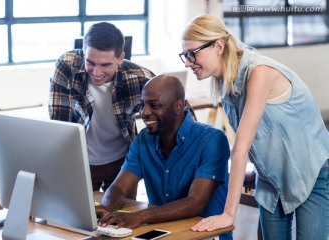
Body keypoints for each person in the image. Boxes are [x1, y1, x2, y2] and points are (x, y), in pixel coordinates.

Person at [180, 14, 329, 239]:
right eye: (184, 55)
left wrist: (229, 215)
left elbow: (239, 148)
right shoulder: (224, 84)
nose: (188, 62)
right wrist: (255, 166)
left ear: (218, 46)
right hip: (271, 178)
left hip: (311, 171)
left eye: (192, 54)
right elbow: (257, 136)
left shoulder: (260, 73)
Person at [95, 74, 232, 240]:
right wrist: (106, 208)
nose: (144, 112)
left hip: (205, 235)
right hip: (162, 232)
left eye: (154, 105)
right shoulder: (144, 140)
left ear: (178, 106)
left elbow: (196, 202)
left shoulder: (212, 140)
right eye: (143, 105)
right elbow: (119, 187)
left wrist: (140, 216)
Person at [48, 22, 155, 200]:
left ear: (121, 58)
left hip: (122, 164)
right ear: (83, 50)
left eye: (105, 65)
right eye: (90, 62)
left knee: (121, 221)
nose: (96, 72)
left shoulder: (140, 78)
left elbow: (182, 116)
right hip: (81, 163)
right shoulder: (67, 66)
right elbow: (61, 125)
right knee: (77, 222)